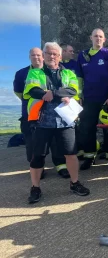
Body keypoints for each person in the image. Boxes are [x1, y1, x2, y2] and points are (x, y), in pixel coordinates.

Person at [23, 42, 90, 204]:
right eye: (48, 53)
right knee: (38, 156)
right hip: (41, 121)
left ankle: (75, 183)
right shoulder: (35, 73)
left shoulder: (68, 73)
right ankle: (35, 188)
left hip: (65, 122)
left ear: (60, 56)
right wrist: (50, 93)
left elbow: (74, 89)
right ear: (44, 55)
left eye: (55, 54)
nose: (51, 56)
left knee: (71, 154)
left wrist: (51, 93)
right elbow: (32, 90)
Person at [13, 48, 69, 179]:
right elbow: (20, 93)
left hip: (53, 114)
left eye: (39, 55)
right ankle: (39, 169)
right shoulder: (21, 73)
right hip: (31, 114)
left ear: (43, 56)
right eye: (33, 55)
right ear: (29, 57)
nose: (36, 57)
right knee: (32, 144)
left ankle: (61, 166)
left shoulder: (52, 71)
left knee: (56, 142)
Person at [76, 28, 108, 170]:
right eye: (95, 36)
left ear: (105, 39)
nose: (98, 39)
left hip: (106, 100)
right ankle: (89, 157)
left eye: (101, 36)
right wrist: (79, 96)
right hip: (88, 100)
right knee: (87, 129)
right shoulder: (83, 55)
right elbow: (79, 78)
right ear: (91, 38)